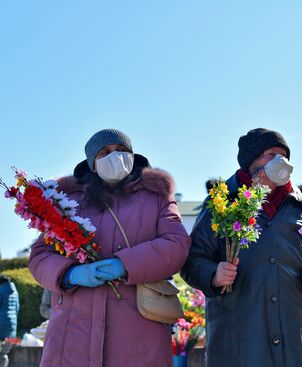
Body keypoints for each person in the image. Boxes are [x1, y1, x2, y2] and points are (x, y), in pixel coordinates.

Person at [29, 128, 191, 367]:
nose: (115, 157)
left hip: (138, 332)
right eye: (105, 152)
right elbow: (40, 255)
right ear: (92, 163)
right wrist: (69, 273)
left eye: (122, 151)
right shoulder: (67, 202)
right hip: (72, 334)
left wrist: (125, 264)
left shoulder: (156, 196)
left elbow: (176, 244)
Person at [181, 128, 302, 367]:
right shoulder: (222, 203)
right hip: (241, 344)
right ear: (251, 162)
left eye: (285, 155)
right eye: (271, 154)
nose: (281, 161)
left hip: (296, 344)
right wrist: (214, 275)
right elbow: (192, 260)